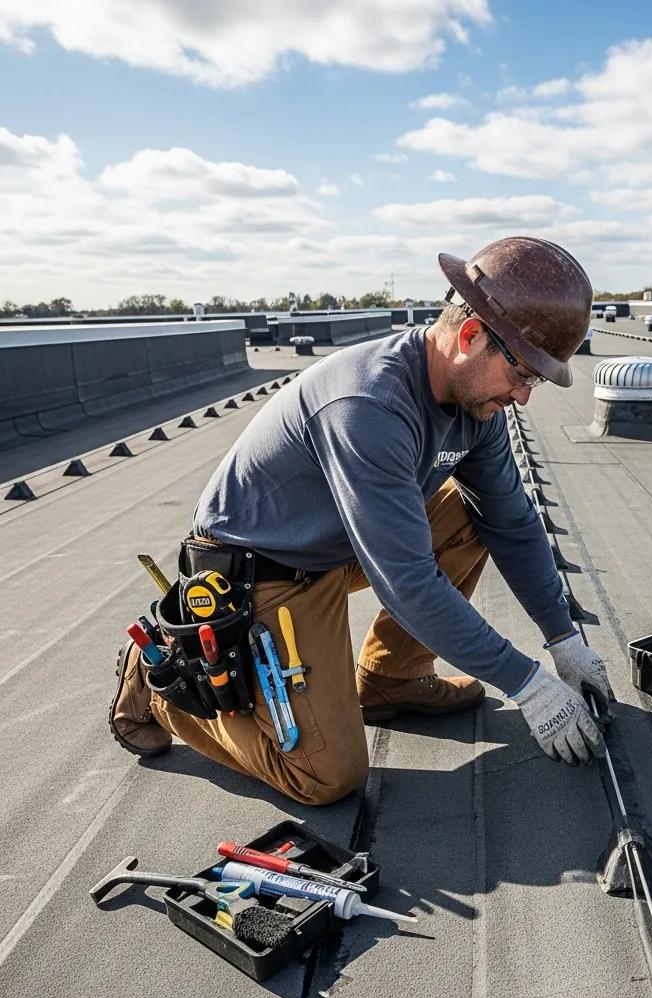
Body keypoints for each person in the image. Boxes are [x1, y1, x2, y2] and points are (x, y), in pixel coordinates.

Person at [110, 236, 615, 805]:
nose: (524, 397)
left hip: (341, 541)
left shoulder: (476, 406)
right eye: (523, 374)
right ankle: (162, 695)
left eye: (536, 382)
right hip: (264, 570)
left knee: (476, 518)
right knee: (327, 776)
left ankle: (390, 677)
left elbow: (513, 522)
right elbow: (407, 581)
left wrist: (562, 636)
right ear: (471, 336)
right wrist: (527, 683)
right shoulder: (369, 403)